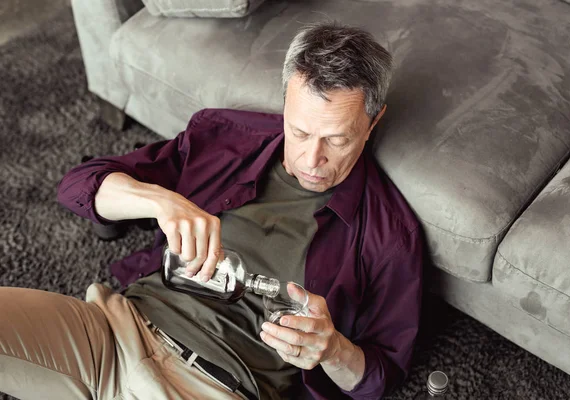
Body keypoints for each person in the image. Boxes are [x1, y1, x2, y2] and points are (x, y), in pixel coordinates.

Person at [0, 23, 422, 400]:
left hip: (217, 383)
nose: (313, 158)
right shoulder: (224, 134)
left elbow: (381, 376)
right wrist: (161, 201)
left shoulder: (390, 236)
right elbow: (78, 186)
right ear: (285, 104)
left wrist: (333, 349)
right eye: (299, 131)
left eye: (336, 139)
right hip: (111, 331)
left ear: (372, 121)